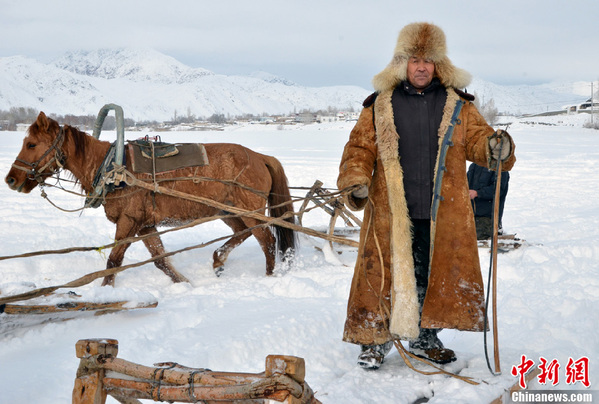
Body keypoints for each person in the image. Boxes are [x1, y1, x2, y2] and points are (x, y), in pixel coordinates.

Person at [337, 22, 516, 370]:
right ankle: (374, 341)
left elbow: (480, 140)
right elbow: (358, 149)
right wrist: (355, 179)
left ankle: (425, 338)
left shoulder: (458, 106)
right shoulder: (380, 105)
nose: (421, 67)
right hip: (390, 212)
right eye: (414, 59)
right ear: (401, 63)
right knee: (381, 276)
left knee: (431, 277)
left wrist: (496, 146)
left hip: (441, 214)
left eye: (428, 60)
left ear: (439, 65)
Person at [467, 162, 510, 240]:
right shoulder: (474, 165)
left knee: (471, 237)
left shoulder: (501, 168)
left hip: (488, 218)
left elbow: (498, 190)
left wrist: (477, 193)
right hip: (470, 215)